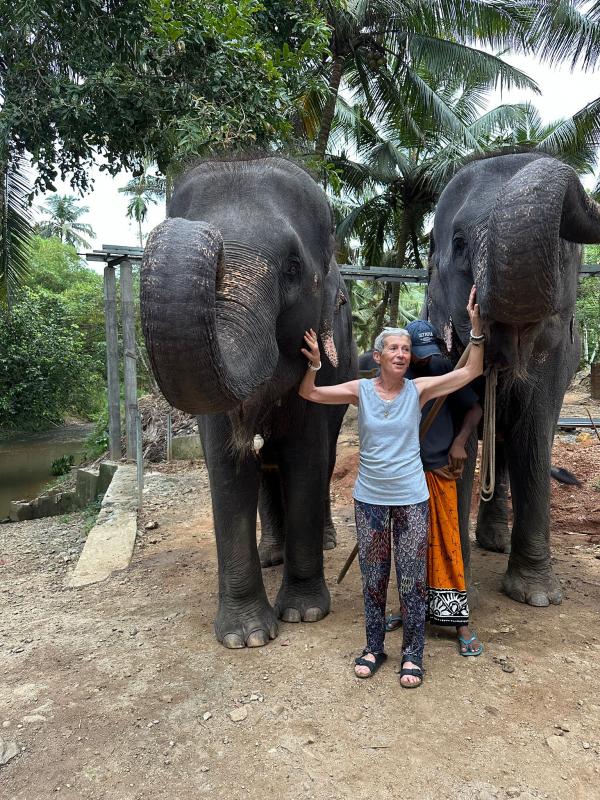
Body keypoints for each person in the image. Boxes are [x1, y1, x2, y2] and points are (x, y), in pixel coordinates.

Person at [298, 287, 484, 688]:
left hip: (412, 501)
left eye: (405, 349)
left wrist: (477, 332)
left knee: (413, 577)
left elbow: (469, 372)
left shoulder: (419, 390)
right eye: (393, 349)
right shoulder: (360, 391)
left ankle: (413, 654)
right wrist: (313, 365)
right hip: (369, 502)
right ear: (378, 357)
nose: (400, 354)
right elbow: (309, 393)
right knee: (374, 576)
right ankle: (373, 646)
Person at [385, 320, 484, 657]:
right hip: (406, 477)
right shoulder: (396, 379)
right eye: (418, 355)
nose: (424, 361)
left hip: (440, 471)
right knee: (410, 548)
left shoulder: (442, 368)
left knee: (447, 545)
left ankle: (460, 623)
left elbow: (474, 407)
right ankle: (408, 608)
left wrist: (460, 442)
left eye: (428, 354)